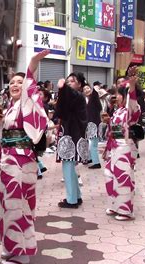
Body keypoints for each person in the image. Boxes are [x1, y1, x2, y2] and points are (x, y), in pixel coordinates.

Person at [0, 50, 49, 264]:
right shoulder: (11, 107)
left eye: (19, 82)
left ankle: (21, 253)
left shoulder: (26, 102)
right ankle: (10, 246)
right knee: (7, 205)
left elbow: (30, 89)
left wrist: (32, 63)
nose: (15, 85)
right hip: (9, 160)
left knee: (19, 205)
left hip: (21, 161)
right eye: (12, 82)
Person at [103, 69, 141, 221]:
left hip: (124, 146)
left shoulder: (130, 108)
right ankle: (114, 204)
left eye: (119, 93)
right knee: (110, 175)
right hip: (114, 145)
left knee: (123, 176)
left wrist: (131, 86)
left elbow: (132, 104)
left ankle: (125, 210)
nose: (116, 96)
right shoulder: (117, 111)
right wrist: (108, 122)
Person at [55, 72, 88, 208]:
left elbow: (69, 95)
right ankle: (76, 196)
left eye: (72, 81)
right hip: (69, 134)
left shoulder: (78, 96)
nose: (69, 83)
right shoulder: (72, 97)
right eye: (68, 81)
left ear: (80, 84)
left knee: (68, 167)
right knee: (70, 168)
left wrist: (63, 87)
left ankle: (72, 199)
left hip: (72, 136)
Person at [84, 84, 102, 169]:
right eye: (84, 89)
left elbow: (95, 94)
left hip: (95, 124)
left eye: (88, 88)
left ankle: (96, 162)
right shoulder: (87, 100)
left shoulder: (94, 98)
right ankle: (90, 159)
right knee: (91, 142)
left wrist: (95, 88)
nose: (86, 90)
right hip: (91, 124)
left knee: (93, 144)